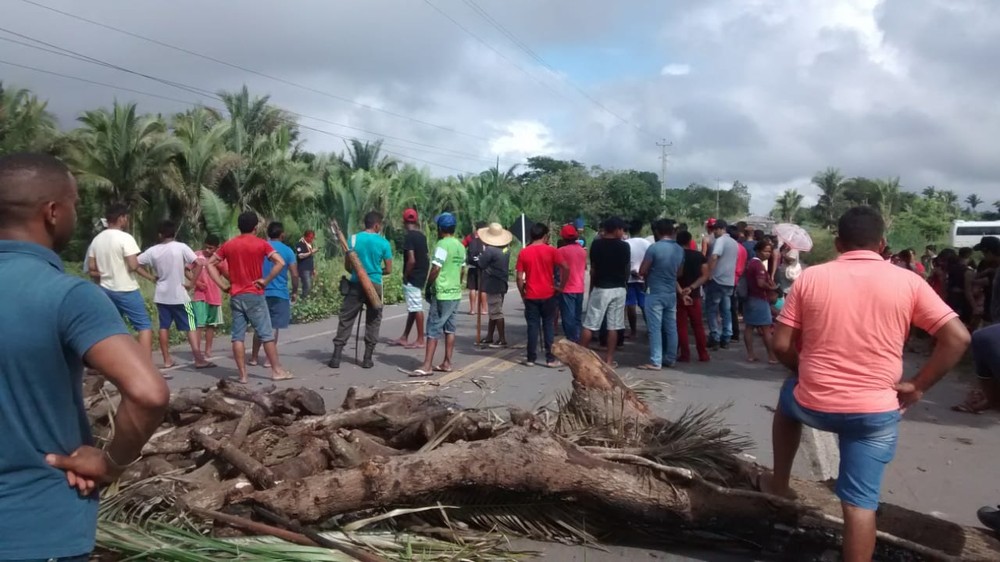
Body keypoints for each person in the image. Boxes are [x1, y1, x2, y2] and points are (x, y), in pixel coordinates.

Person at [763, 206, 970, 562]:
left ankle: (779, 483)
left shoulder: (811, 278)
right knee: (859, 505)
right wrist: (918, 385)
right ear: (883, 243)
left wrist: (804, 370)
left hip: (813, 404)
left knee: (787, 401)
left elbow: (780, 344)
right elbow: (958, 338)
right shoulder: (908, 281)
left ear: (840, 243)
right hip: (873, 414)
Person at [0, 152, 169, 561]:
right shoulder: (66, 296)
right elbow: (148, 393)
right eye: (75, 204)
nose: (77, 214)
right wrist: (111, 462)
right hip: (37, 527)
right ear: (53, 212)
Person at [210, 212, 292, 383]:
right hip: (254, 293)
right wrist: (266, 280)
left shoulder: (229, 245)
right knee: (266, 333)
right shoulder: (261, 244)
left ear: (239, 227)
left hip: (236, 295)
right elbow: (280, 262)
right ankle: (277, 370)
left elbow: (210, 263)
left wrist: (222, 285)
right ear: (255, 227)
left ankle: (243, 375)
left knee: (237, 336)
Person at [138, 220, 212, 371]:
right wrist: (193, 283)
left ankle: (167, 360)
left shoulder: (153, 251)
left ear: (160, 234)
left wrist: (150, 277)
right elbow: (199, 263)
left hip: (161, 294)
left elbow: (134, 264)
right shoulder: (181, 247)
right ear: (173, 233)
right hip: (179, 295)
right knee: (191, 325)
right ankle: (198, 359)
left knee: (164, 326)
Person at [87, 203, 158, 357]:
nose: (127, 220)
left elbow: (91, 268)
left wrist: (105, 272)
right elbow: (133, 265)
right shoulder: (125, 238)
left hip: (104, 289)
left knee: (111, 328)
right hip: (125, 288)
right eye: (126, 217)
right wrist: (149, 273)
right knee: (144, 326)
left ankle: (107, 363)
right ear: (121, 218)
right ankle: (146, 365)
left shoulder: (97, 240)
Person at [328, 211, 392, 369]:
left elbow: (348, 265)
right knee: (373, 320)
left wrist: (358, 273)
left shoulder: (353, 239)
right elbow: (389, 269)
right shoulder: (384, 243)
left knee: (346, 318)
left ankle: (336, 357)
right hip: (375, 285)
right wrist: (376, 272)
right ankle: (367, 358)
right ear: (377, 225)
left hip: (356, 283)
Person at [413, 212, 466, 377]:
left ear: (440, 228)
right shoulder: (460, 245)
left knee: (433, 328)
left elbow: (436, 268)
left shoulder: (442, 245)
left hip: (442, 293)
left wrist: (428, 285)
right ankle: (447, 362)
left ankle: (427, 365)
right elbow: (463, 269)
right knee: (450, 329)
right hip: (455, 292)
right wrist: (457, 282)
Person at [516, 223, 568, 367]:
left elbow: (520, 278)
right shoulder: (551, 251)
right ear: (545, 236)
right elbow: (566, 267)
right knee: (548, 326)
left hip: (531, 295)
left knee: (532, 327)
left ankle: (531, 358)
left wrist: (523, 294)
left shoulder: (524, 252)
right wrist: (561, 286)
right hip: (549, 293)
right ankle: (550, 359)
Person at [579, 217, 630, 366]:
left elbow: (593, 269)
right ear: (616, 230)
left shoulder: (596, 245)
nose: (623, 232)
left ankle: (581, 357)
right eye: (622, 230)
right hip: (619, 288)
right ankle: (609, 359)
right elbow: (626, 269)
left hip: (601, 288)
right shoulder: (624, 247)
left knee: (590, 324)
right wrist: (624, 283)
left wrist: (591, 287)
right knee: (614, 326)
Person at [637, 219, 684, 370]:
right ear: (672, 231)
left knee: (655, 328)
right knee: (671, 326)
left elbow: (642, 271)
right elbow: (680, 273)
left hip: (655, 292)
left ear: (657, 232)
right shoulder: (679, 249)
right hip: (671, 292)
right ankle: (671, 357)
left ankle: (656, 360)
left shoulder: (653, 248)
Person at [251, 222, 298, 367]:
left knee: (259, 325)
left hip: (259, 290)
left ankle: (253, 357)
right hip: (279, 293)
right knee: (274, 326)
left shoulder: (260, 247)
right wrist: (295, 290)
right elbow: (294, 274)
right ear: (282, 234)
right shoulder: (287, 251)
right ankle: (267, 360)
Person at [393, 208, 430, 349]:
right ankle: (405, 336)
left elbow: (411, 260)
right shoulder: (421, 236)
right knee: (413, 308)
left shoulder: (409, 237)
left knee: (416, 307)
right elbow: (425, 257)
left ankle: (420, 339)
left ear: (404, 221)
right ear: (416, 220)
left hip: (413, 276)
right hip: (421, 274)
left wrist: (406, 275)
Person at [675, 230, 710, 362]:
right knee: (698, 325)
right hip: (694, 295)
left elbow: (672, 275)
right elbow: (705, 275)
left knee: (681, 326)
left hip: (679, 294)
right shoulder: (699, 256)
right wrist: (692, 287)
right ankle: (703, 353)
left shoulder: (676, 256)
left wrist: (682, 290)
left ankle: (685, 354)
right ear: (690, 241)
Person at [193, 234, 228, 359]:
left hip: (214, 295)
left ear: (217, 248)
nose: (208, 251)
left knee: (211, 325)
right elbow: (186, 270)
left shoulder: (219, 259)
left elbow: (226, 273)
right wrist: (196, 282)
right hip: (199, 295)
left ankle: (208, 350)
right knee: (199, 324)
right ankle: (196, 351)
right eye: (206, 247)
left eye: (211, 248)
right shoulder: (196, 255)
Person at [477, 223, 513, 348]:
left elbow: (481, 264)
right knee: (493, 311)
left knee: (496, 312)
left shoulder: (490, 250)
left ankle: (502, 339)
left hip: (493, 283)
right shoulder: (506, 249)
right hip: (501, 282)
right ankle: (489, 336)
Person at [705, 219, 738, 350]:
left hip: (717, 279)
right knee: (726, 310)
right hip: (729, 280)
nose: (714, 233)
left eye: (715, 230)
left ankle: (715, 336)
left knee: (712, 309)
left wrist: (709, 272)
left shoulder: (721, 241)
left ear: (720, 229)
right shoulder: (734, 243)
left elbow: (714, 256)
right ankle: (726, 336)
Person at [743, 240, 778, 364]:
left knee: (749, 327)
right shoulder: (758, 265)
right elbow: (760, 283)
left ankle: (751, 354)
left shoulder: (751, 263)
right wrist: (772, 288)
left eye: (769, 251)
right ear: (758, 251)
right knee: (766, 329)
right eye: (765, 251)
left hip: (750, 298)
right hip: (759, 299)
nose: (768, 254)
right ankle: (771, 356)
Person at [557, 223, 587, 342]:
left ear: (563, 237)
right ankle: (577, 338)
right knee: (577, 317)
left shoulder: (561, 251)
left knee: (567, 317)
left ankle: (572, 340)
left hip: (567, 288)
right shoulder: (582, 251)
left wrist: (560, 287)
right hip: (579, 287)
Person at [625, 219, 652, 340]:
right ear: (640, 229)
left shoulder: (626, 244)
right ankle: (651, 329)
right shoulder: (646, 243)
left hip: (629, 277)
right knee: (644, 304)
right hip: (643, 277)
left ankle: (633, 331)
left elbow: (625, 262)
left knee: (630, 305)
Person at [728, 224, 748, 344]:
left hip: (729, 279)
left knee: (727, 308)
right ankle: (734, 333)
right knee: (732, 308)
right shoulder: (742, 248)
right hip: (738, 278)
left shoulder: (732, 248)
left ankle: (731, 332)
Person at [466, 221, 488, 315]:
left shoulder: (470, 237)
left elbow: (463, 245)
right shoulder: (486, 238)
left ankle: (472, 309)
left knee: (472, 288)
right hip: (483, 267)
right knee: (483, 289)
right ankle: (484, 309)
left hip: (472, 266)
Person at [294, 229, 318, 299]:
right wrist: (311, 252)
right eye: (310, 237)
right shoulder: (300, 244)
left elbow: (310, 258)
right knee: (307, 285)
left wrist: (313, 269)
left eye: (312, 238)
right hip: (303, 268)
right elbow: (300, 256)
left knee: (308, 286)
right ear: (305, 237)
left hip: (309, 268)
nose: (311, 239)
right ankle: (303, 299)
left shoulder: (310, 245)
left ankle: (305, 299)